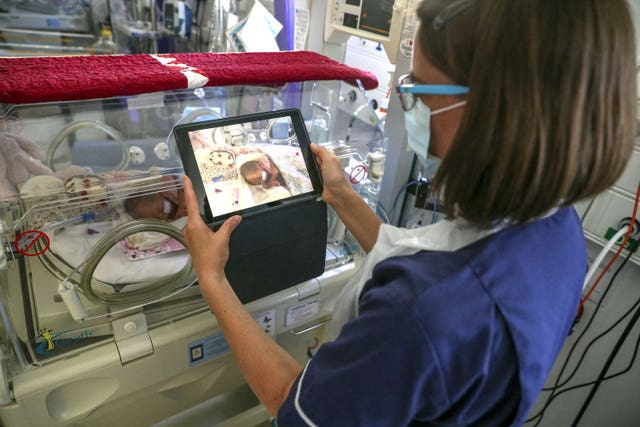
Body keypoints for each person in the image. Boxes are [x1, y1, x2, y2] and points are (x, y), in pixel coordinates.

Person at [181, 0, 636, 425]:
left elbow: (290, 404)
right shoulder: (555, 228)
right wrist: (340, 195)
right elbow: (421, 255)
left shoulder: (420, 311)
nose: (410, 104)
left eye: (418, 89)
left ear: (492, 111)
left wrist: (214, 281)